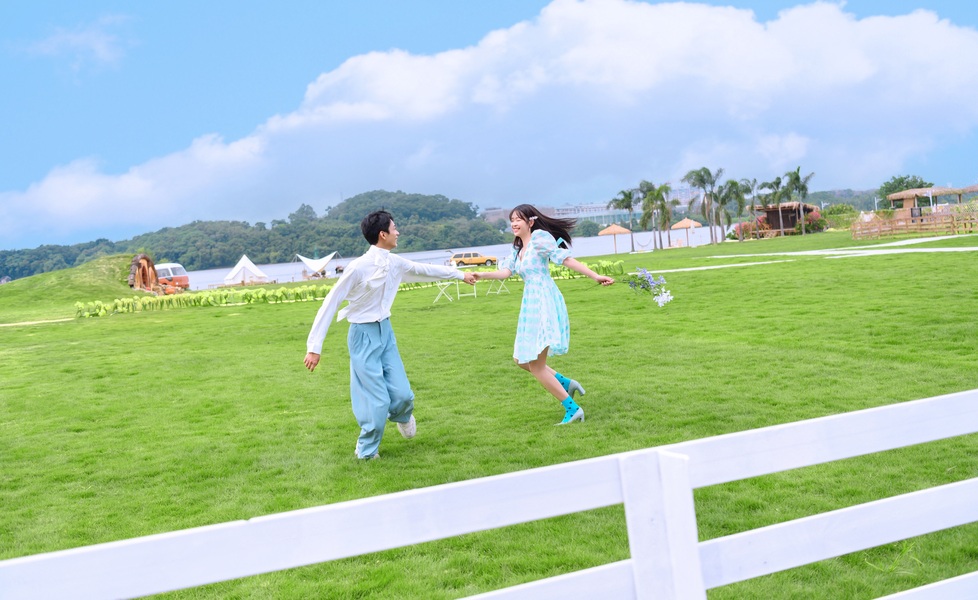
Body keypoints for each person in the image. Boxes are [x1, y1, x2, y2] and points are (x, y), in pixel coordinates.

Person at [304, 210, 477, 460]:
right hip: (362, 335)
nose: (398, 232)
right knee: (376, 401)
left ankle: (402, 416)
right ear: (383, 234)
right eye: (395, 228)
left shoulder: (395, 262)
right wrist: (314, 347)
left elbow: (425, 270)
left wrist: (461, 275)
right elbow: (331, 302)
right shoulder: (358, 268)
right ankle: (366, 451)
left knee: (403, 394)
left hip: (386, 331)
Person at [474, 204, 614, 424]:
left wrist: (595, 276)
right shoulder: (518, 250)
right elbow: (505, 272)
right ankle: (565, 383)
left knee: (536, 366)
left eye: (518, 219)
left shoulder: (539, 239)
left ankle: (572, 409)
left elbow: (565, 259)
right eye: (512, 220)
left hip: (543, 301)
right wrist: (480, 275)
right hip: (530, 304)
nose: (514, 223)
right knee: (520, 359)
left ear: (530, 222)